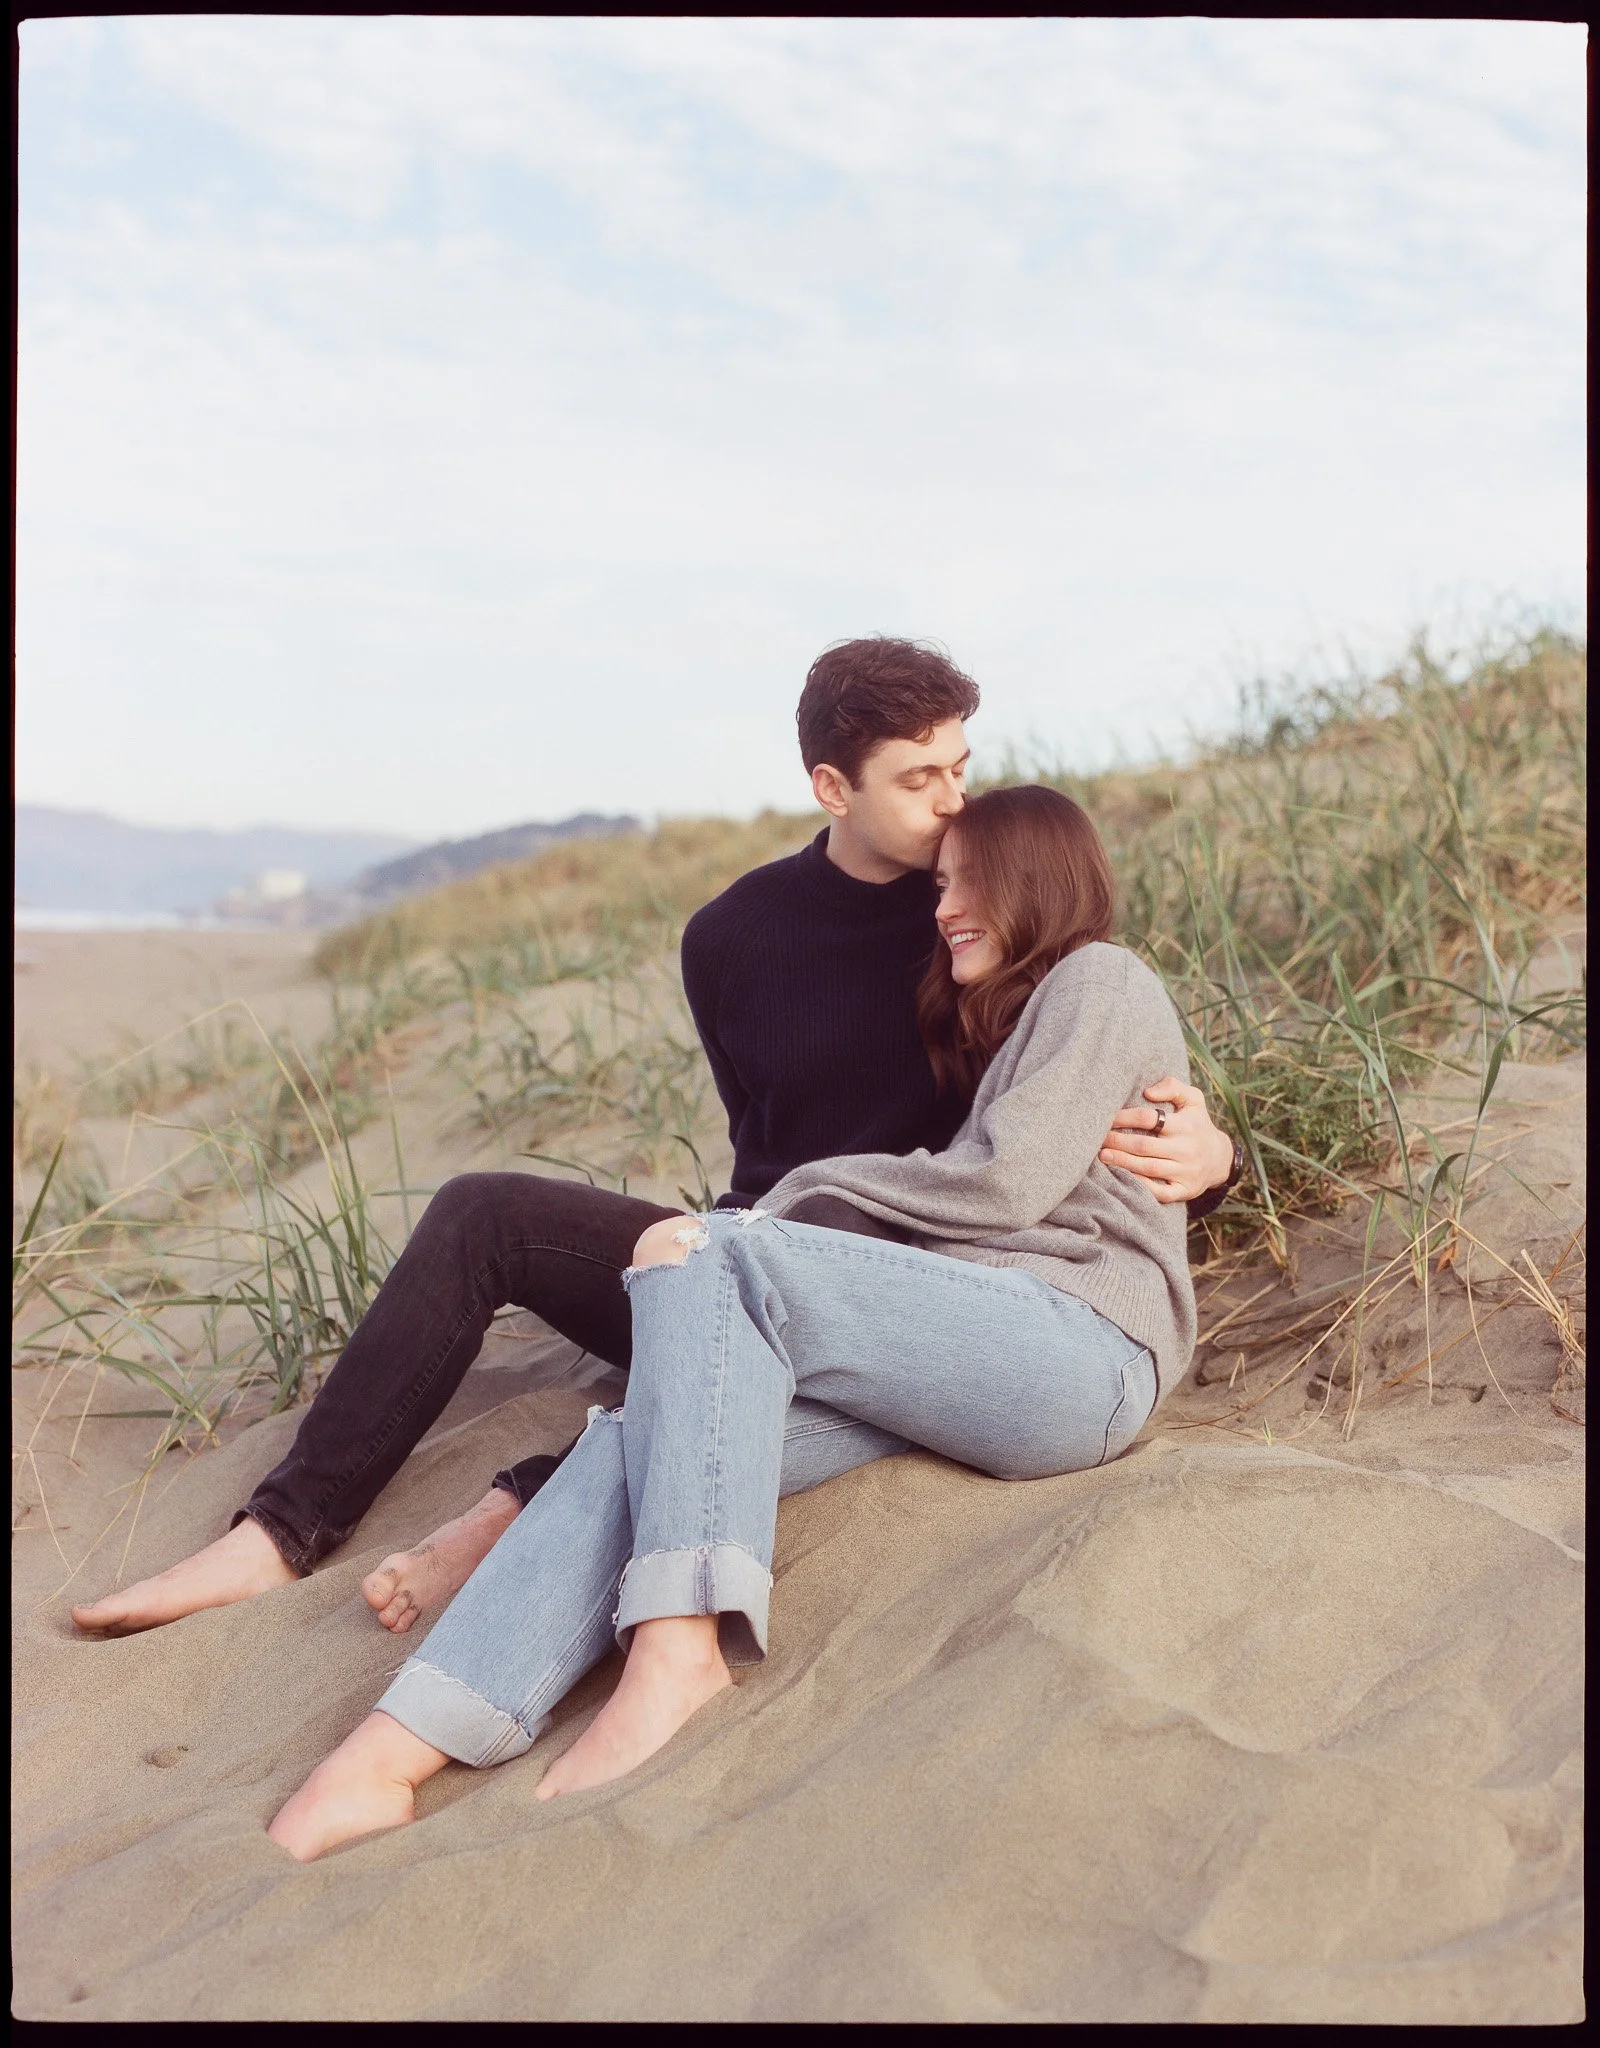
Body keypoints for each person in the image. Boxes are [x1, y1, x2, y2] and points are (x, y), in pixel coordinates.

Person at [71, 641, 1237, 1640]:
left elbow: (1077, 1120)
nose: (951, 803)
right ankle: (280, 1533)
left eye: (960, 767)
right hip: (746, 1249)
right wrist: (719, 1246)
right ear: (831, 785)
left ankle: (517, 1507)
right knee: (483, 1212)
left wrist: (1216, 1163)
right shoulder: (729, 937)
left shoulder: (987, 913)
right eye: (919, 777)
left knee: (730, 1311)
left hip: (915, 1301)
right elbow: (760, 1144)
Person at [267, 782, 1199, 1859]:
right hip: (979, 1361)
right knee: (646, 1436)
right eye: (940, 884)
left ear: (1038, 877)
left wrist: (780, 1207)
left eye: (968, 883)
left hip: (1084, 1345)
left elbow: (1005, 1182)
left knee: (710, 1251)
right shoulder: (1010, 1020)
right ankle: (394, 1749)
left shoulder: (1100, 977)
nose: (944, 907)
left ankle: (678, 1650)